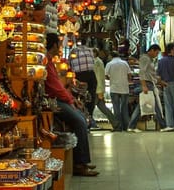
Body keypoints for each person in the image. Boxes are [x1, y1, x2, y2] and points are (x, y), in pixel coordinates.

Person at [44, 32, 99, 176]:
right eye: (59, 44)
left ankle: (80, 160)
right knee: (80, 121)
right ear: (55, 45)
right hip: (53, 101)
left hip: (59, 98)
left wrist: (71, 99)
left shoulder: (49, 62)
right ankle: (80, 164)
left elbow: (58, 86)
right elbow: (55, 87)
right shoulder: (46, 62)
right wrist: (70, 100)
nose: (61, 47)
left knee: (81, 117)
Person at [128, 44, 164, 131]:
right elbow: (142, 72)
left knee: (142, 105)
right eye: (156, 53)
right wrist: (144, 85)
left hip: (150, 84)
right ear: (152, 50)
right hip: (147, 84)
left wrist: (160, 82)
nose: (156, 55)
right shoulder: (145, 58)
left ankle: (131, 126)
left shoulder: (149, 60)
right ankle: (163, 125)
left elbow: (150, 74)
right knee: (155, 105)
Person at [104, 50, 136, 132]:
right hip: (124, 88)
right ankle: (126, 126)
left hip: (114, 88)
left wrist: (112, 79)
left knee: (116, 108)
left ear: (111, 56)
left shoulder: (109, 64)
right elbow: (129, 75)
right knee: (124, 108)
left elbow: (106, 76)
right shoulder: (124, 63)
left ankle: (118, 127)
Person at [68, 39, 97, 118]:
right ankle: (90, 115)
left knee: (76, 93)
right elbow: (93, 62)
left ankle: (78, 113)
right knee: (92, 95)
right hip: (90, 74)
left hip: (79, 75)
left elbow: (69, 63)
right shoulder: (90, 50)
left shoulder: (73, 51)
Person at [93, 48, 119, 131]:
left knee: (92, 108)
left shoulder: (97, 62)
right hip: (97, 89)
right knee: (102, 107)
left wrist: (100, 91)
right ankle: (116, 124)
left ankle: (91, 124)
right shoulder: (96, 62)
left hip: (97, 89)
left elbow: (100, 77)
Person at [157, 42, 174, 131]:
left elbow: (158, 74)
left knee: (168, 105)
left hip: (165, 84)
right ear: (172, 50)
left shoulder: (161, 61)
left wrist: (161, 82)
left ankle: (170, 125)